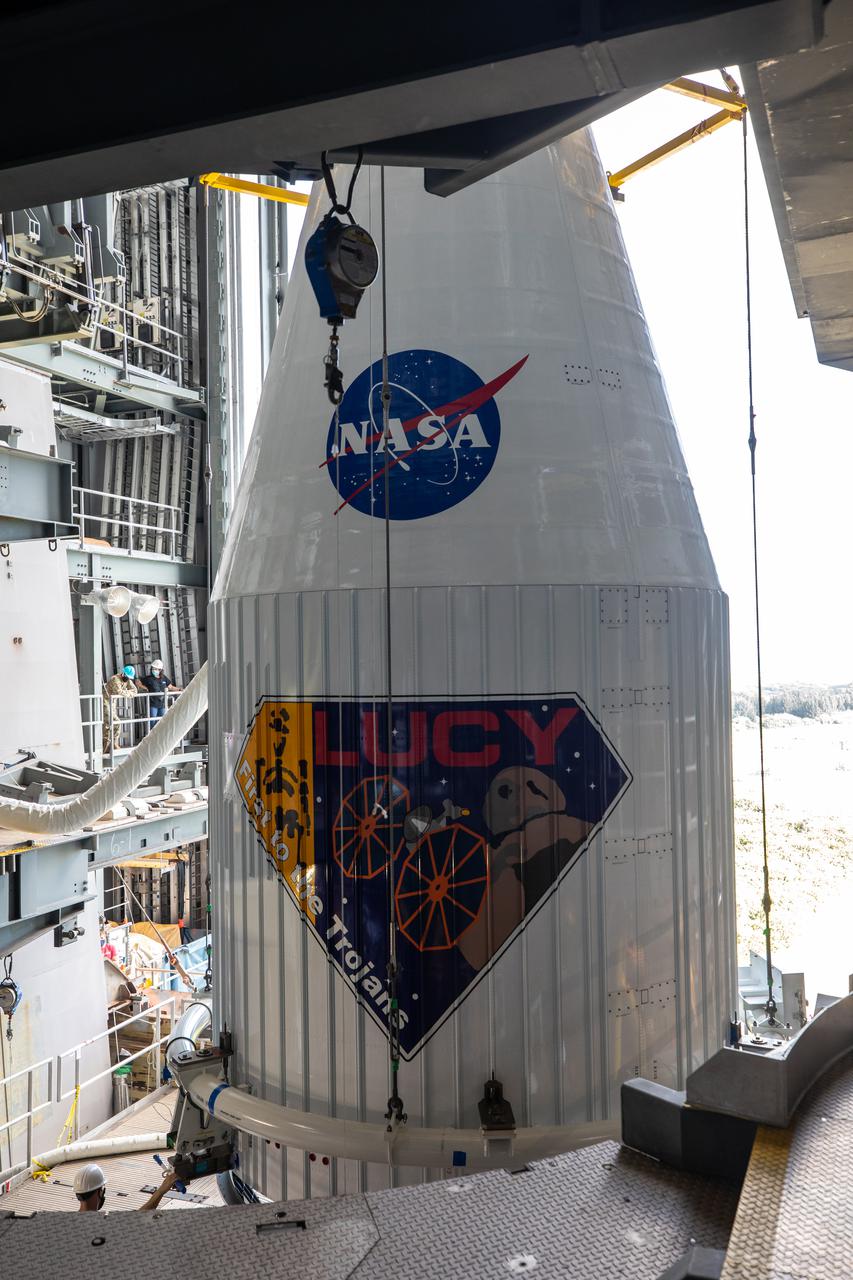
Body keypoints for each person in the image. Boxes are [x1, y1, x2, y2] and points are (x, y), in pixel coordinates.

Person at [102, 665, 138, 753]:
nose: (128, 679)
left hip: (112, 703)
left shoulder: (127, 680)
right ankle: (108, 746)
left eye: (129, 678)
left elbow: (135, 691)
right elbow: (118, 691)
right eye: (127, 677)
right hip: (105, 702)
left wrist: (126, 693)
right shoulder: (115, 679)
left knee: (111, 723)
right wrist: (128, 693)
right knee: (112, 723)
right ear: (123, 674)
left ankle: (111, 745)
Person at [138, 659, 181, 730]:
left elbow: (170, 687)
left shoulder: (164, 678)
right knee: (152, 721)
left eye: (156, 669)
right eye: (153, 668)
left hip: (163, 704)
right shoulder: (148, 679)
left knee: (162, 721)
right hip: (153, 704)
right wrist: (145, 688)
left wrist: (180, 689)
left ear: (160, 670)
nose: (154, 670)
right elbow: (138, 682)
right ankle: (151, 738)